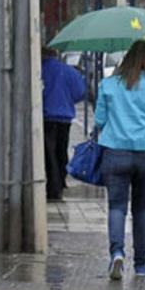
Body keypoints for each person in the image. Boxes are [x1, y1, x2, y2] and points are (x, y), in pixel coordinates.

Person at [94, 40, 145, 280]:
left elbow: (100, 120)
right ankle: (141, 265)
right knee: (141, 208)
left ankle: (117, 253)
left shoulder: (108, 85)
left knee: (116, 207)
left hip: (115, 152)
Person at [41, 48, 87, 202]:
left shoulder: (39, 71)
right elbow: (80, 91)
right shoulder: (68, 71)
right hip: (64, 119)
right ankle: (60, 181)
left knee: (49, 153)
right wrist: (67, 101)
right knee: (61, 151)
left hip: (46, 117)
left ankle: (53, 187)